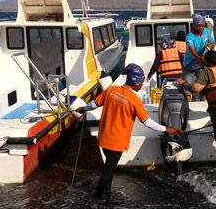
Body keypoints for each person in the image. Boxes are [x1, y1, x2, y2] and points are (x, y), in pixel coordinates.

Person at [77, 64, 182, 198]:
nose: (141, 85)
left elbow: (93, 104)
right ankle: (97, 198)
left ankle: (107, 193)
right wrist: (167, 129)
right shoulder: (134, 101)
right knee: (107, 170)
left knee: (109, 166)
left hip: (103, 137)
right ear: (136, 82)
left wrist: (83, 109)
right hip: (117, 142)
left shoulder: (111, 90)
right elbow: (147, 122)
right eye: (141, 82)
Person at [182, 13, 216, 84]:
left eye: (203, 25)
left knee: (202, 86)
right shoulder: (189, 37)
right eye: (198, 26)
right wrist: (202, 60)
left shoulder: (206, 31)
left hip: (200, 65)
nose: (201, 27)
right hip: (189, 66)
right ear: (194, 26)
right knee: (190, 87)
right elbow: (193, 53)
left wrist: (209, 46)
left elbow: (213, 43)